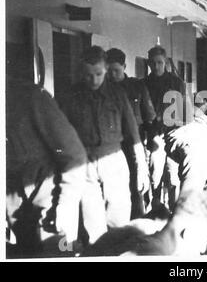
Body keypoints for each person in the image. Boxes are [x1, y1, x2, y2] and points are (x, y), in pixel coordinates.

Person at [60, 46, 149, 230]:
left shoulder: (118, 95)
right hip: (85, 163)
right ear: (81, 72)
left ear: (106, 70)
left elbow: (134, 136)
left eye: (99, 74)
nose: (94, 80)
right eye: (88, 75)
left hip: (114, 161)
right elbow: (61, 135)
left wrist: (142, 169)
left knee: (119, 220)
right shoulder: (71, 96)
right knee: (92, 222)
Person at [6, 77, 89, 257]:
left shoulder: (33, 98)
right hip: (14, 202)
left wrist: (65, 206)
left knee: (58, 253)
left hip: (50, 201)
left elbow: (75, 156)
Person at [106, 48, 156, 218]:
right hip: (112, 144)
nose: (112, 74)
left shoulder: (137, 86)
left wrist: (151, 142)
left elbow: (149, 117)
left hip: (134, 142)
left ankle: (137, 221)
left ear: (125, 67)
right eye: (109, 70)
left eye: (116, 70)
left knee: (137, 184)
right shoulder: (103, 88)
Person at [144, 45, 187, 208]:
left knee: (173, 176)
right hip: (153, 135)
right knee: (154, 175)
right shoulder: (144, 84)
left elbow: (184, 112)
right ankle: (155, 209)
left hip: (173, 134)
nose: (156, 67)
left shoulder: (176, 83)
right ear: (148, 64)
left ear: (166, 63)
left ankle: (173, 211)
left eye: (159, 63)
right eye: (153, 63)